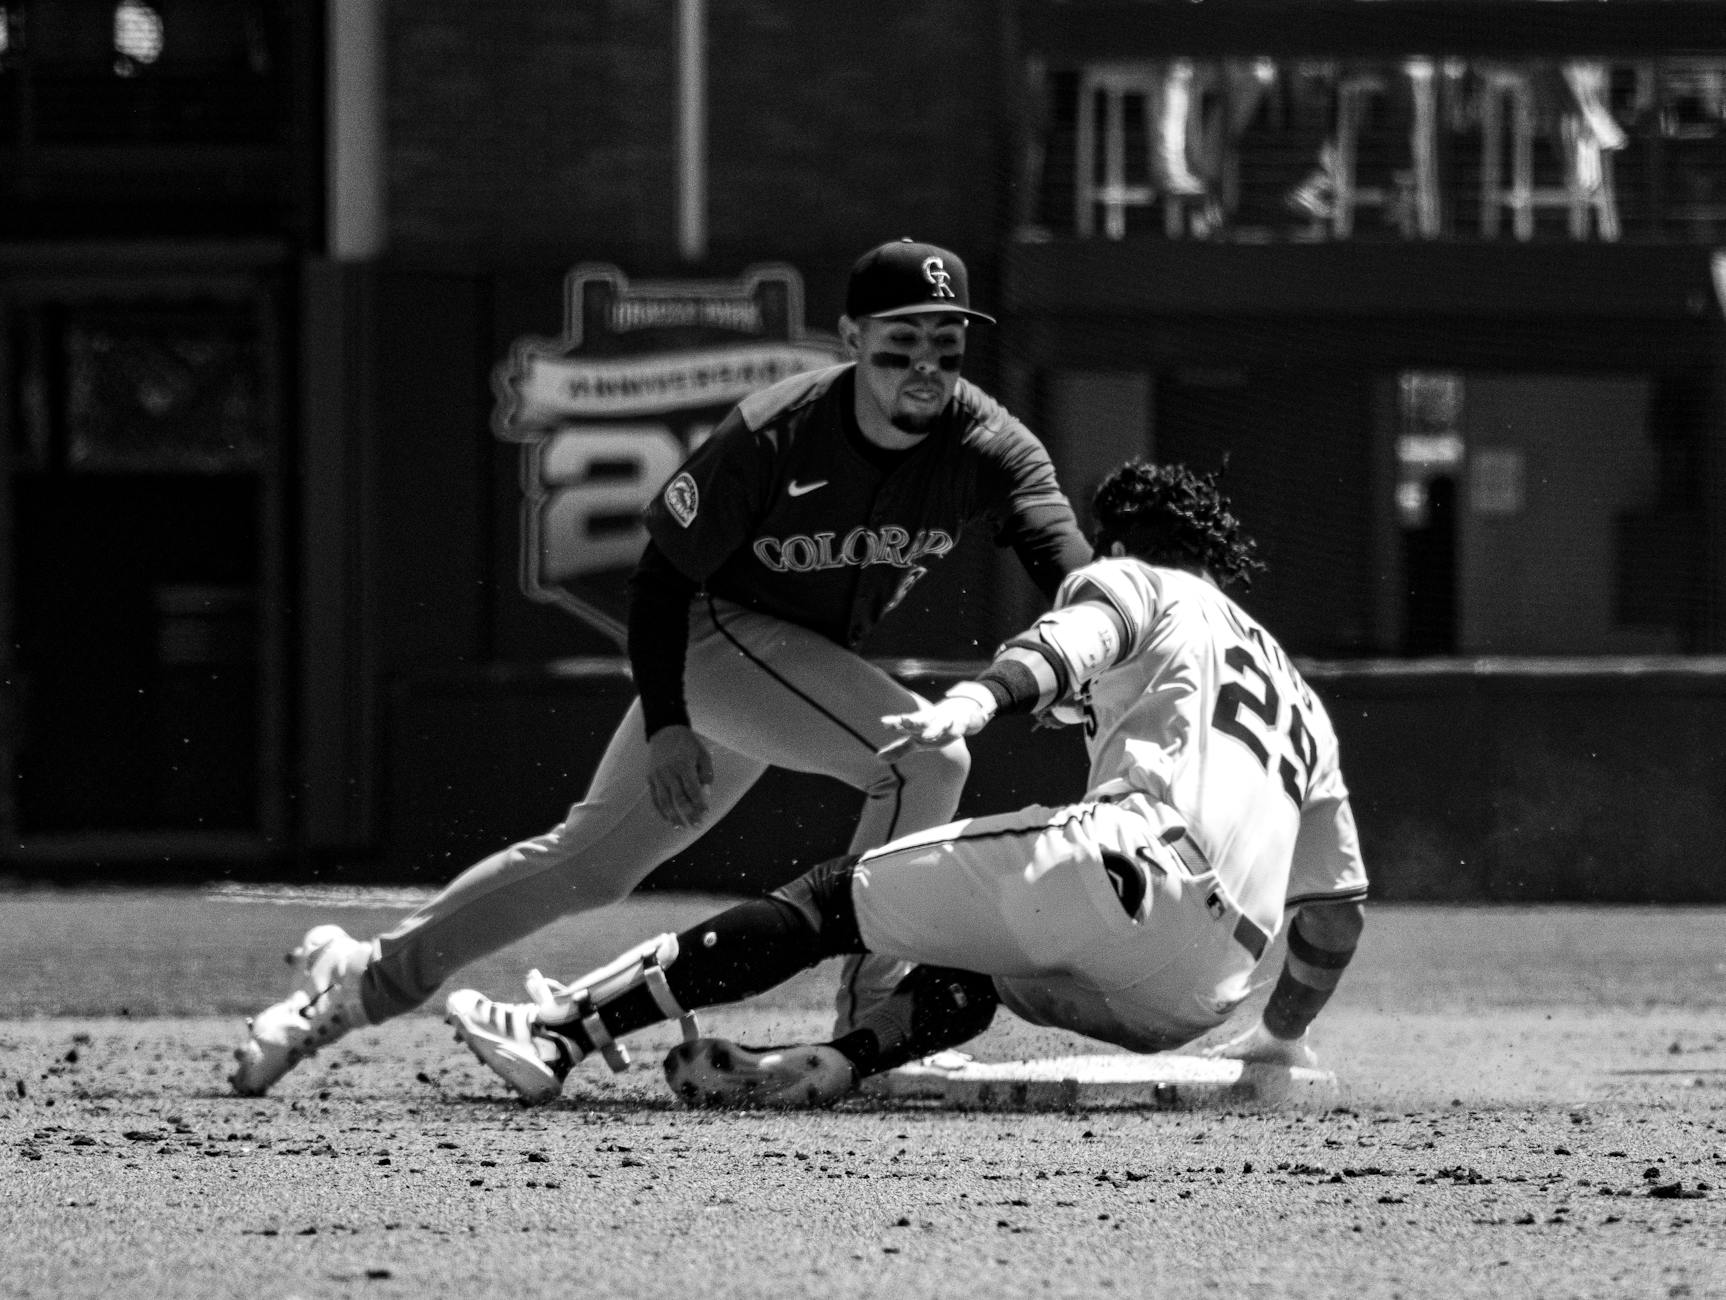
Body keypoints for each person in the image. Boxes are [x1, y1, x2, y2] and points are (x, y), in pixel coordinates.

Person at [229, 238, 1092, 1096]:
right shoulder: (776, 432)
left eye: (946, 342)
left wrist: (1097, 628)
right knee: (926, 756)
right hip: (710, 639)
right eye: (901, 341)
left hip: (793, 662)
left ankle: (353, 982)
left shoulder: (988, 441)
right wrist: (672, 720)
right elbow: (659, 581)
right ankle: (874, 1016)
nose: (925, 364)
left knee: (589, 865)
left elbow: (1063, 554)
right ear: (852, 339)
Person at [442, 459, 1370, 1108]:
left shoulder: (1139, 581)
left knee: (831, 898)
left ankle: (562, 1028)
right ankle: (843, 1060)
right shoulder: (1302, 700)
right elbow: (1334, 920)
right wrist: (1278, 1035)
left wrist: (981, 696)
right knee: (974, 955)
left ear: (1127, 538)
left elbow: (1067, 645)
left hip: (1130, 868)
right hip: (1196, 995)